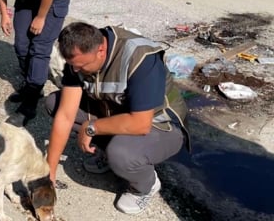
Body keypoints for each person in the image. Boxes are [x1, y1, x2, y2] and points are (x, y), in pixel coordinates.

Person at [45, 22, 190, 214]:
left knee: (122, 154)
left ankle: (146, 185)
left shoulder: (140, 57)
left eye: (82, 66)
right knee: (54, 103)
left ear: (101, 50)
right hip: (117, 112)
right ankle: (108, 153)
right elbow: (65, 115)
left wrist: (92, 127)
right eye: (74, 67)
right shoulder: (79, 58)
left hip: (161, 125)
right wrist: (49, 172)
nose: (76, 71)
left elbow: (141, 124)